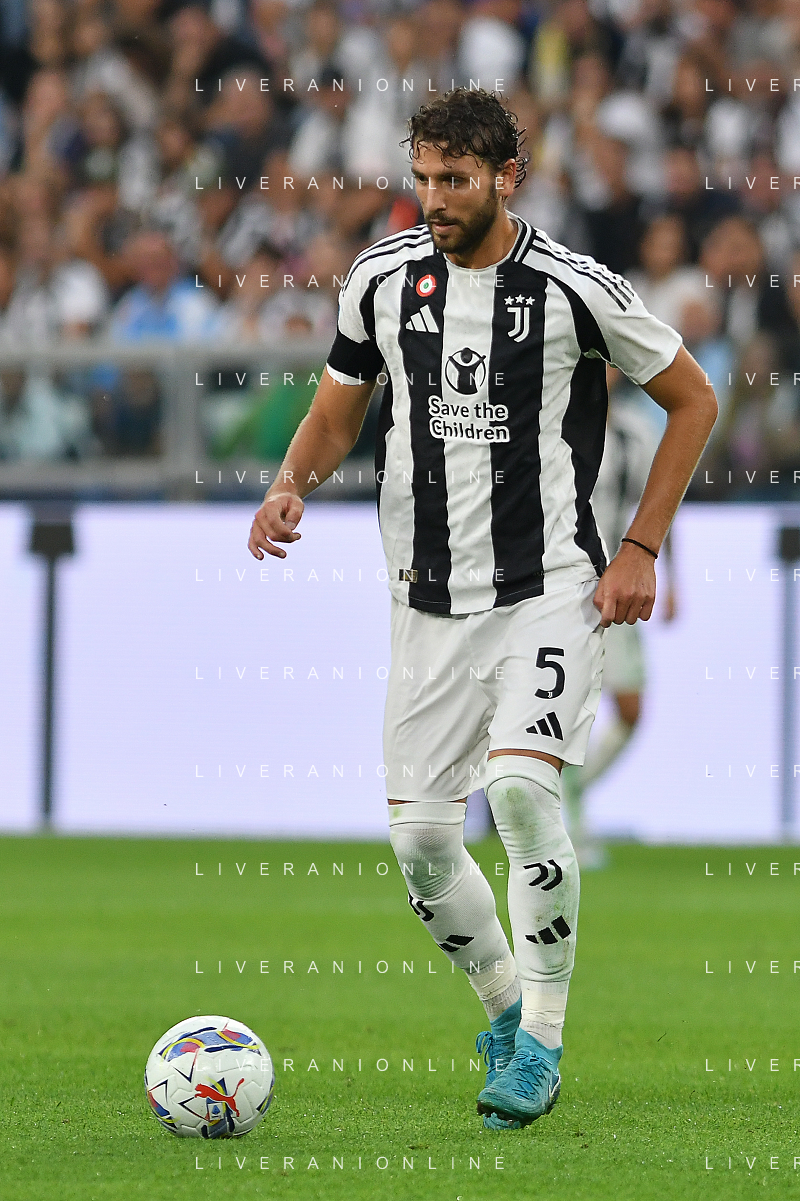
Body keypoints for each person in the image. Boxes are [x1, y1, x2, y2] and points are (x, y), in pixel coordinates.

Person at [247, 88, 717, 1131]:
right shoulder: (379, 278)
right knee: (421, 844)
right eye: (422, 177)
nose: (434, 198)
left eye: (454, 180)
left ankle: (542, 1039)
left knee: (518, 793)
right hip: (423, 604)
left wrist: (639, 548)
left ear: (508, 178)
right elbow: (336, 414)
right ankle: (504, 1009)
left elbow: (694, 399)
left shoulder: (572, 287)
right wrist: (288, 483)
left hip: (548, 589)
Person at [561, 368, 678, 868]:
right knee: (566, 712)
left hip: (618, 586)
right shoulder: (552, 423)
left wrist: (669, 575)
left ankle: (563, 794)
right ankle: (569, 829)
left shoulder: (633, 433)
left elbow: (657, 505)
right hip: (563, 587)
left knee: (630, 711)